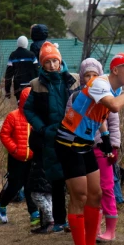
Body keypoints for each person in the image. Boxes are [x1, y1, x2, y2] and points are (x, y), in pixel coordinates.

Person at [55, 53, 124, 245]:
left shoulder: (112, 88)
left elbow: (101, 114)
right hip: (69, 143)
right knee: (80, 197)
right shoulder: (99, 82)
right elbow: (114, 106)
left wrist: (105, 139)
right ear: (115, 70)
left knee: (95, 194)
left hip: (86, 142)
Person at [24, 42, 79, 232]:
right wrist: (42, 128)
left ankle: (75, 219)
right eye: (48, 62)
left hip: (73, 136)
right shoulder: (37, 85)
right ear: (42, 65)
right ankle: (59, 220)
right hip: (51, 138)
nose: (52, 65)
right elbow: (28, 109)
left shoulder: (73, 80)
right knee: (56, 180)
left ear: (60, 61)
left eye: (55, 60)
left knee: (74, 179)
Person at [66, 58, 122, 241]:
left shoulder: (109, 97)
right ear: (82, 78)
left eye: (95, 75)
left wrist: (114, 146)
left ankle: (111, 230)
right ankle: (94, 228)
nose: (91, 79)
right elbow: (70, 122)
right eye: (87, 76)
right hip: (82, 148)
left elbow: (113, 124)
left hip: (102, 149)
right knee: (90, 191)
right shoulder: (76, 97)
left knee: (106, 188)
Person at [0, 87, 38, 225]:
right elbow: (4, 135)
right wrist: (14, 149)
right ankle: (1, 205)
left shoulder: (37, 117)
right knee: (14, 185)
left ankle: (34, 213)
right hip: (16, 158)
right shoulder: (13, 116)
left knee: (30, 185)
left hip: (32, 158)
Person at [4, 35, 39, 101]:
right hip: (31, 87)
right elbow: (37, 71)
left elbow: (8, 75)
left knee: (20, 106)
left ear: (17, 43)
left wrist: (7, 91)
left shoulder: (13, 55)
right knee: (31, 106)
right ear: (27, 43)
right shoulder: (32, 55)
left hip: (18, 87)